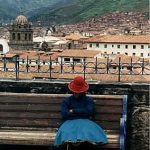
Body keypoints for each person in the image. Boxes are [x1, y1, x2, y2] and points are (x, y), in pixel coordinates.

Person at [53, 76, 107, 150]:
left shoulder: (88, 100)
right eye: (75, 91)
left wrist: (73, 111)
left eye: (79, 92)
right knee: (67, 135)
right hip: (70, 123)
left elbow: (90, 111)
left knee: (87, 135)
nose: (77, 93)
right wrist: (82, 112)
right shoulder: (67, 101)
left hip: (86, 123)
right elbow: (64, 114)